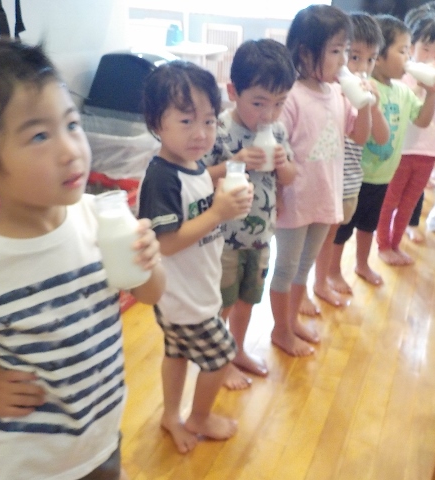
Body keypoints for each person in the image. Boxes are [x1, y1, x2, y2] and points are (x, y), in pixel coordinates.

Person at [0, 39, 165, 480]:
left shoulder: (98, 218)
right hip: (25, 468)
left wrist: (150, 262)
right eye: (38, 135)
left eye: (71, 124)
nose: (71, 149)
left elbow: (149, 294)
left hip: (101, 443)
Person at [137, 61, 253, 453]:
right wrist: (218, 213)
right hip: (184, 297)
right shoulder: (161, 178)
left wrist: (227, 182)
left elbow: (200, 185)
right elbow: (165, 243)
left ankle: (171, 415)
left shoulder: (189, 162)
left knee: (177, 353)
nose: (200, 133)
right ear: (157, 124)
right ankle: (199, 417)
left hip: (191, 288)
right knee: (220, 358)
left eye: (208, 121)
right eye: (186, 121)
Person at [270, 4, 372, 357]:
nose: (344, 60)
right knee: (285, 269)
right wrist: (277, 194)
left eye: (346, 51)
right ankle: (280, 330)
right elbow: (277, 148)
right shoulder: (291, 97)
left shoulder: (338, 94)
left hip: (324, 195)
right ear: (305, 53)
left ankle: (291, 321)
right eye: (336, 51)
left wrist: (366, 104)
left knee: (303, 268)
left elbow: (360, 136)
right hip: (294, 198)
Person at [202, 39, 297, 389]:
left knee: (247, 301)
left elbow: (290, 177)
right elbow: (198, 179)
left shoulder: (278, 131)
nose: (268, 114)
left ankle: (238, 350)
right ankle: (219, 362)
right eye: (258, 103)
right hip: (224, 239)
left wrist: (283, 163)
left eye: (279, 103)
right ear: (233, 92)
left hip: (260, 237)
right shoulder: (219, 130)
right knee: (223, 304)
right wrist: (235, 163)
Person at [334, 14, 435, 286]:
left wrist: (432, 93)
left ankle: (361, 264)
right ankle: (333, 272)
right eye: (402, 51)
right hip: (355, 175)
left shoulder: (403, 91)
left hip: (382, 175)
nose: (408, 58)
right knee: (342, 229)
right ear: (379, 57)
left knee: (368, 225)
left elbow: (422, 120)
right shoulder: (362, 87)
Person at [302, 12, 388, 313]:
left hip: (349, 181)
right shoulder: (329, 92)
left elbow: (380, 138)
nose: (362, 68)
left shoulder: (364, 92)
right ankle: (301, 290)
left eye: (370, 59)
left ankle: (321, 281)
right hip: (321, 180)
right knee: (308, 241)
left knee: (331, 236)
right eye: (354, 57)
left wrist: (372, 106)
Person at [377, 16, 435, 266]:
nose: (432, 56)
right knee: (390, 200)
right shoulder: (402, 76)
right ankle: (383, 245)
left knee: (409, 203)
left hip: (428, 152)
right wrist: (421, 86)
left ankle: (395, 244)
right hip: (400, 151)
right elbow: (403, 106)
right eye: (425, 48)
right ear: (412, 48)